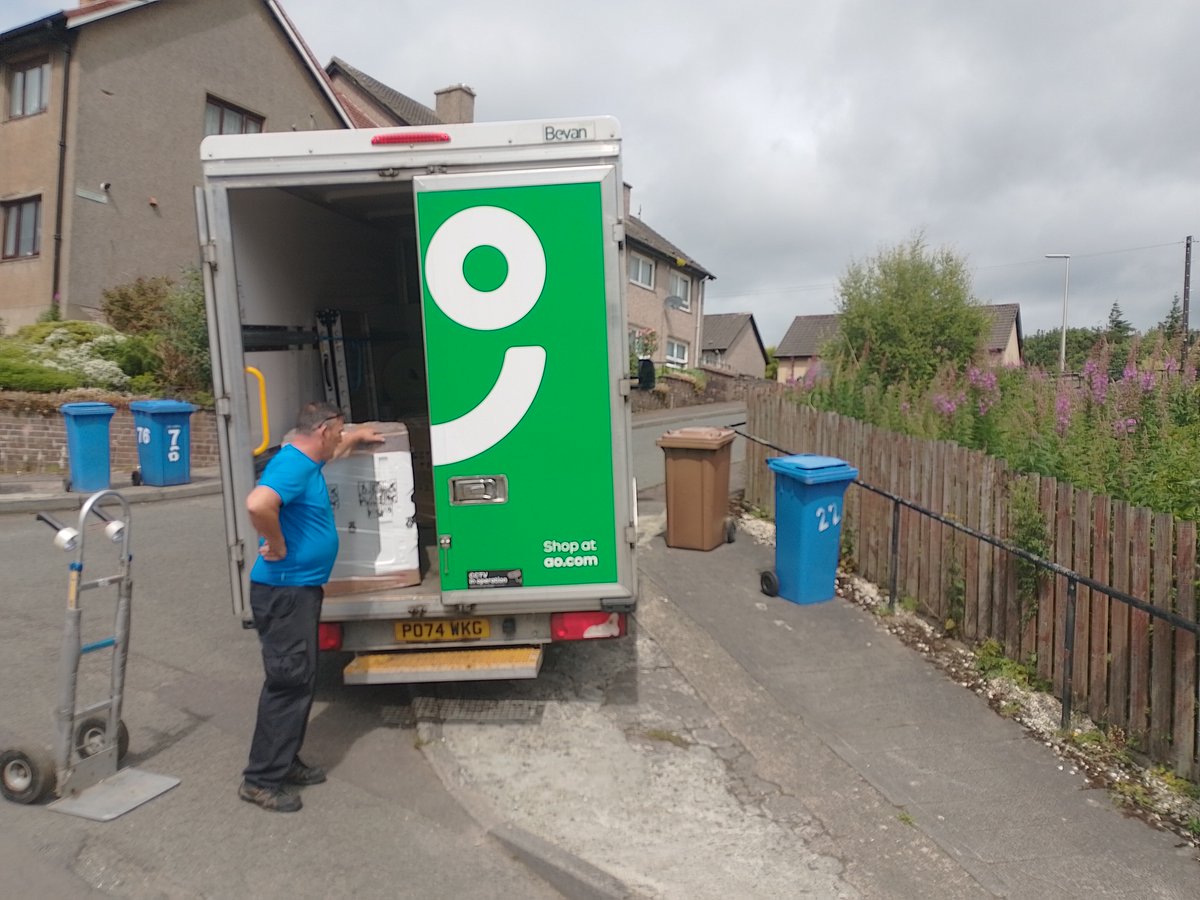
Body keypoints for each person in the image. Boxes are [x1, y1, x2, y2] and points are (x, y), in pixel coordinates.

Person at [239, 402, 382, 812]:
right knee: (287, 682)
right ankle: (260, 779)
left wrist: (355, 437)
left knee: (301, 680)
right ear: (322, 429)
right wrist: (279, 544)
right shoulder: (293, 467)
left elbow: (332, 452)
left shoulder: (306, 459)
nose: (339, 438)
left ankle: (285, 762)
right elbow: (257, 504)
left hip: (299, 592)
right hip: (285, 593)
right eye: (338, 431)